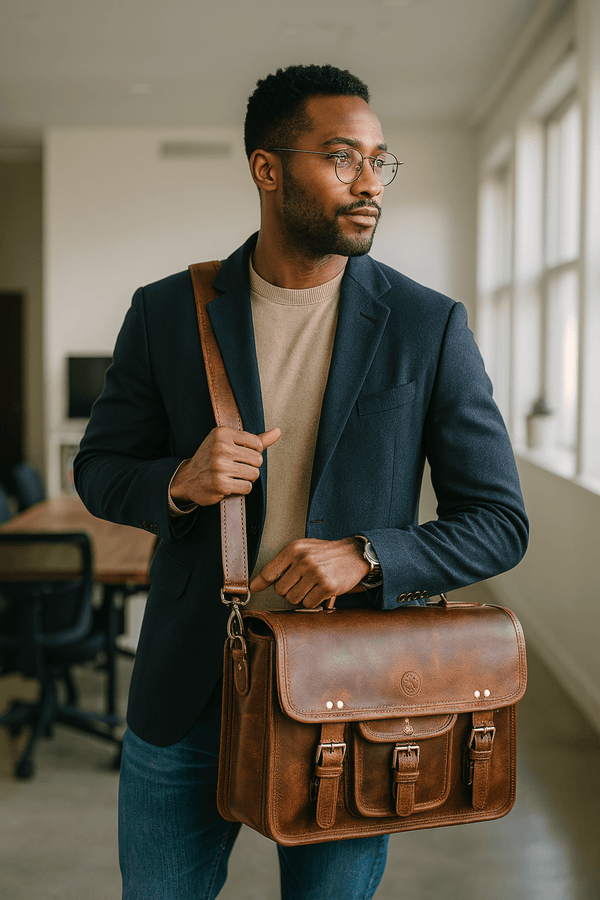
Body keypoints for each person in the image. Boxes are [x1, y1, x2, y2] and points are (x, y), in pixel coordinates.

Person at [74, 64, 528, 900]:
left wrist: (368, 556)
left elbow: (499, 521)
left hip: (352, 697)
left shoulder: (428, 326)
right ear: (268, 167)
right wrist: (178, 481)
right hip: (188, 689)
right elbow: (97, 470)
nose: (369, 183)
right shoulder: (168, 311)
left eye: (379, 161)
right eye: (342, 157)